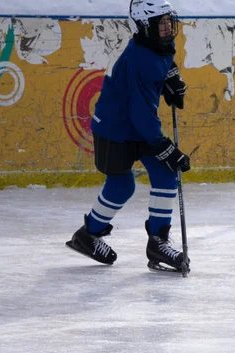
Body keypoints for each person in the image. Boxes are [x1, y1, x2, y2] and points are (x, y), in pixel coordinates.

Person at [66, 0, 190, 274]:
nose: (168, 28)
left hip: (138, 126)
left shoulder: (159, 44)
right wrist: (166, 148)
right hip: (115, 129)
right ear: (145, 27)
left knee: (166, 175)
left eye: (170, 21)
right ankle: (88, 235)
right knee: (122, 186)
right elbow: (142, 115)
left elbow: (165, 60)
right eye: (161, 23)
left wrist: (171, 78)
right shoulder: (138, 60)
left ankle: (157, 242)